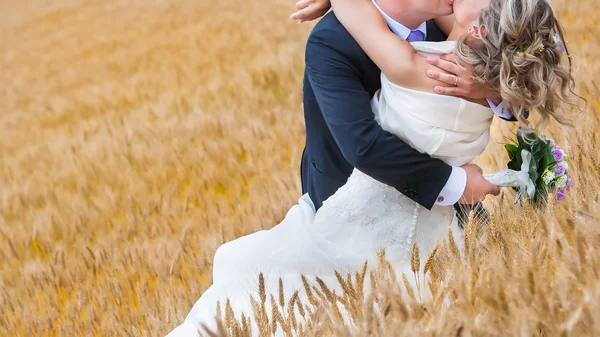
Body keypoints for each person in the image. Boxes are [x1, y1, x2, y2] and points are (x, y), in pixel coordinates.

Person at [165, 0, 578, 336]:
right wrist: (457, 181)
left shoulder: (442, 24)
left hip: (438, 207)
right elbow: (362, 144)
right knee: (292, 297)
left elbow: (522, 70)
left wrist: (489, 90)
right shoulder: (333, 42)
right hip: (349, 192)